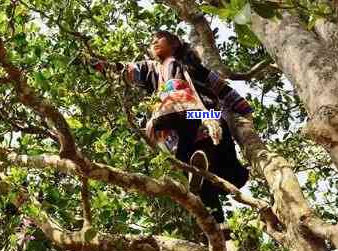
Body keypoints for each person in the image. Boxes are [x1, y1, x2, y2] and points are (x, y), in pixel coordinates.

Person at [94, 30, 251, 231]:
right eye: (151, 41)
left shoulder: (193, 68)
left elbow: (223, 89)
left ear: (174, 44)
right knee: (200, 168)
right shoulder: (151, 69)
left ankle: (216, 216)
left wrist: (244, 111)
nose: (153, 43)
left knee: (209, 154)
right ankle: (217, 220)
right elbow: (124, 69)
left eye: (158, 39)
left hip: (200, 117)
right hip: (177, 123)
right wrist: (99, 65)